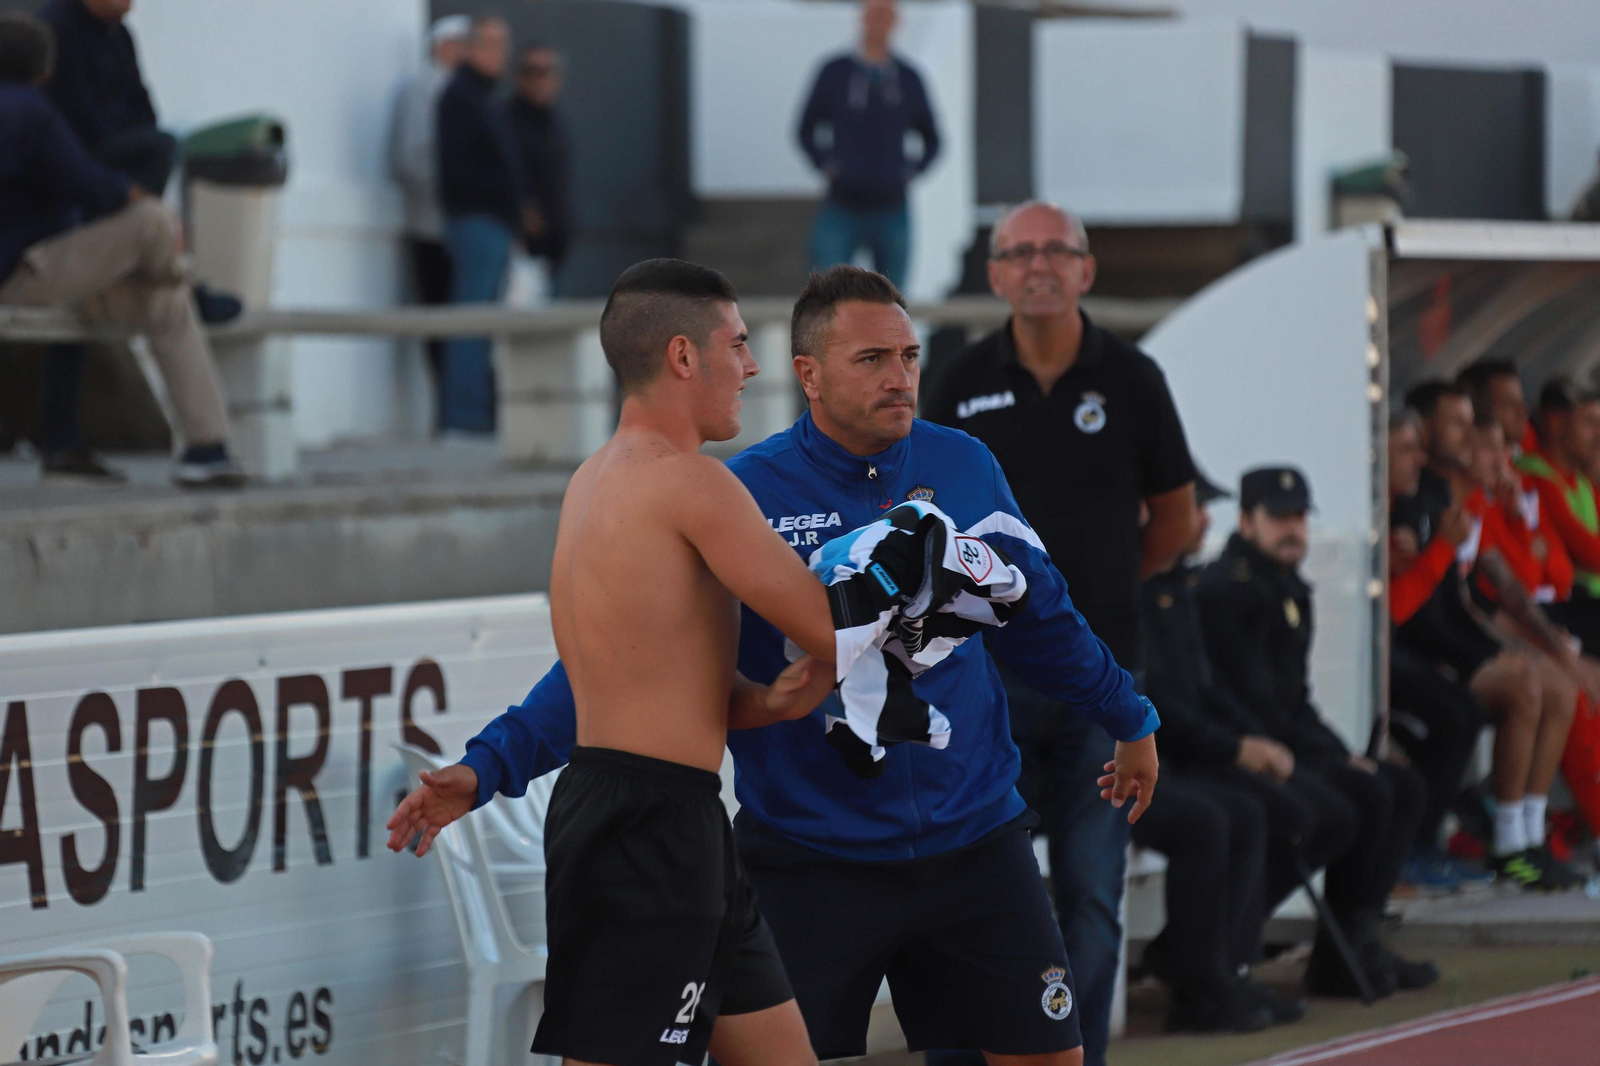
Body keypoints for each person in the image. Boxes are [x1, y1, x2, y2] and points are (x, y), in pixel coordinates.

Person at [390, 264, 1163, 1066]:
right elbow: (614, 668)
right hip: (806, 859)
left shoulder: (964, 463)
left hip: (973, 840)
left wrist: (1128, 715)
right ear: (811, 375)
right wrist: (491, 765)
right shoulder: (733, 489)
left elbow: (1044, 616)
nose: (899, 377)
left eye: (908, 355)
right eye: (872, 360)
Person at [394, 259, 841, 1065]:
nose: (752, 366)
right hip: (649, 831)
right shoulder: (694, 487)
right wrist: (943, 572)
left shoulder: (592, 482)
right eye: (737, 345)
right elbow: (828, 623)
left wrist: (766, 703)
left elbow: (639, 676)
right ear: (682, 356)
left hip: (657, 817)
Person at [921, 200, 1195, 1066]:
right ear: (996, 274)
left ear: (1086, 270)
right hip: (979, 687)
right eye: (1019, 252)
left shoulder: (1134, 378)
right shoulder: (956, 384)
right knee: (968, 887)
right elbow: (915, 520)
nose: (1039, 265)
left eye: (1057, 250)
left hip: (1098, 688)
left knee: (1090, 895)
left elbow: (1176, 523)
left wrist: (1076, 612)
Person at [1198, 467, 1439, 997]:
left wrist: (1338, 752)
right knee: (1364, 795)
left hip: (1283, 737)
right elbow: (1253, 702)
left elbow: (1295, 700)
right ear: (1246, 520)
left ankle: (1357, 938)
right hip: (1249, 744)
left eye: (1300, 517)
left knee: (1401, 785)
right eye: (1279, 518)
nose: (1294, 530)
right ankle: (1338, 954)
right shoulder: (1230, 591)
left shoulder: (1284, 587)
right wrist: (1329, 758)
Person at [0, 12, 244, 488]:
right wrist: (142, 201)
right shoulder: (28, 110)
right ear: (46, 73)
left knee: (164, 305)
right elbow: (88, 182)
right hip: (25, 273)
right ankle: (184, 279)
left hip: (49, 270)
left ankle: (206, 449)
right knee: (153, 223)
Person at [1397, 383, 1585, 889]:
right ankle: (1507, 842)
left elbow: (1513, 585)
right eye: (1487, 442)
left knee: (1557, 685)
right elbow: (1422, 606)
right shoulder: (1423, 502)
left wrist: (1530, 650)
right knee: (1528, 685)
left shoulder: (1462, 502)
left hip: (1447, 639)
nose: (1504, 458)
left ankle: (1527, 837)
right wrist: (1516, 653)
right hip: (1416, 653)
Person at [1135, 469, 1297, 1034]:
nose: (1205, 520)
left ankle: (1226, 970)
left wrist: (1254, 743)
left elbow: (1205, 693)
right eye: (1193, 507)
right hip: (1115, 768)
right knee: (1209, 821)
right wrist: (1234, 748)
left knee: (1255, 811)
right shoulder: (1127, 587)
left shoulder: (1177, 587)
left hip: (1174, 760)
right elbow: (1150, 701)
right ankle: (1197, 992)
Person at [1384, 408, 1492, 891]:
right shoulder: (1378, 514)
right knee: (1452, 716)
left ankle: (1424, 844)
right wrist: (1444, 549)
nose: (1418, 459)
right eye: (1406, 449)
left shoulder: (1398, 511)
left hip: (1391, 655)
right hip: (1366, 663)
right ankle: (1412, 850)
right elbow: (1395, 612)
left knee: (1460, 713)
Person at [797, 0, 939, 291]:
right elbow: (805, 127)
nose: (878, 22)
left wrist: (909, 171)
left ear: (896, 21)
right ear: (862, 18)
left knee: (893, 300)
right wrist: (826, 164)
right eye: (873, 13)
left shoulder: (908, 78)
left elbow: (932, 138)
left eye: (885, 14)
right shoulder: (834, 73)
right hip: (841, 204)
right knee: (825, 296)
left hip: (892, 206)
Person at [436, 14, 523, 434]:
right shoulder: (460, 96)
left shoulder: (485, 96)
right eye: (490, 44)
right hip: (475, 221)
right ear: (470, 47)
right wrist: (504, 195)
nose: (499, 53)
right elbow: (455, 168)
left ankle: (476, 414)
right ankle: (464, 418)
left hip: (493, 222)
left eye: (503, 44)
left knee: (484, 324)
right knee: (471, 323)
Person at [389, 15, 469, 390]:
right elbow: (411, 158)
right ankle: (450, 403)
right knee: (440, 318)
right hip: (433, 224)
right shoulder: (424, 89)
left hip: (459, 222)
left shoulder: (460, 89)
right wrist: (455, 192)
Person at [37, 0, 174, 196]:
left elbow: (139, 95)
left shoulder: (119, 33)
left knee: (159, 144)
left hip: (114, 139)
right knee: (161, 147)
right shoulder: (58, 28)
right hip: (77, 151)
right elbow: (77, 108)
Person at [505, 43, 573, 283]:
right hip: (518, 241)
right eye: (531, 71)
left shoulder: (554, 122)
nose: (539, 80)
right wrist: (522, 208)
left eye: (546, 72)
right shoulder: (507, 119)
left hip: (554, 239)